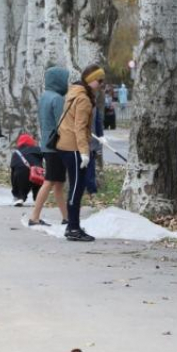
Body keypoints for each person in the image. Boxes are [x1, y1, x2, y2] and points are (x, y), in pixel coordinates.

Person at [57, 65, 105, 242]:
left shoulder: (73, 92)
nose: (101, 84)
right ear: (90, 80)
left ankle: (73, 226)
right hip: (74, 149)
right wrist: (85, 153)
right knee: (77, 189)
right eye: (99, 80)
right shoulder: (83, 99)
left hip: (66, 146)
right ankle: (73, 228)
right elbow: (79, 127)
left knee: (75, 188)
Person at [29, 67, 70, 227]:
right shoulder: (58, 99)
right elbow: (62, 123)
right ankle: (34, 217)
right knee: (50, 181)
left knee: (58, 183)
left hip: (47, 143)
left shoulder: (44, 96)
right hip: (56, 146)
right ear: (59, 80)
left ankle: (66, 217)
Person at [10, 134, 44, 206]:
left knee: (16, 176)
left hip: (21, 175)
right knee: (38, 180)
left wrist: (14, 189)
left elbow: (13, 168)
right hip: (36, 174)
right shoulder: (37, 149)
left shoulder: (16, 153)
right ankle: (37, 198)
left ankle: (19, 197)